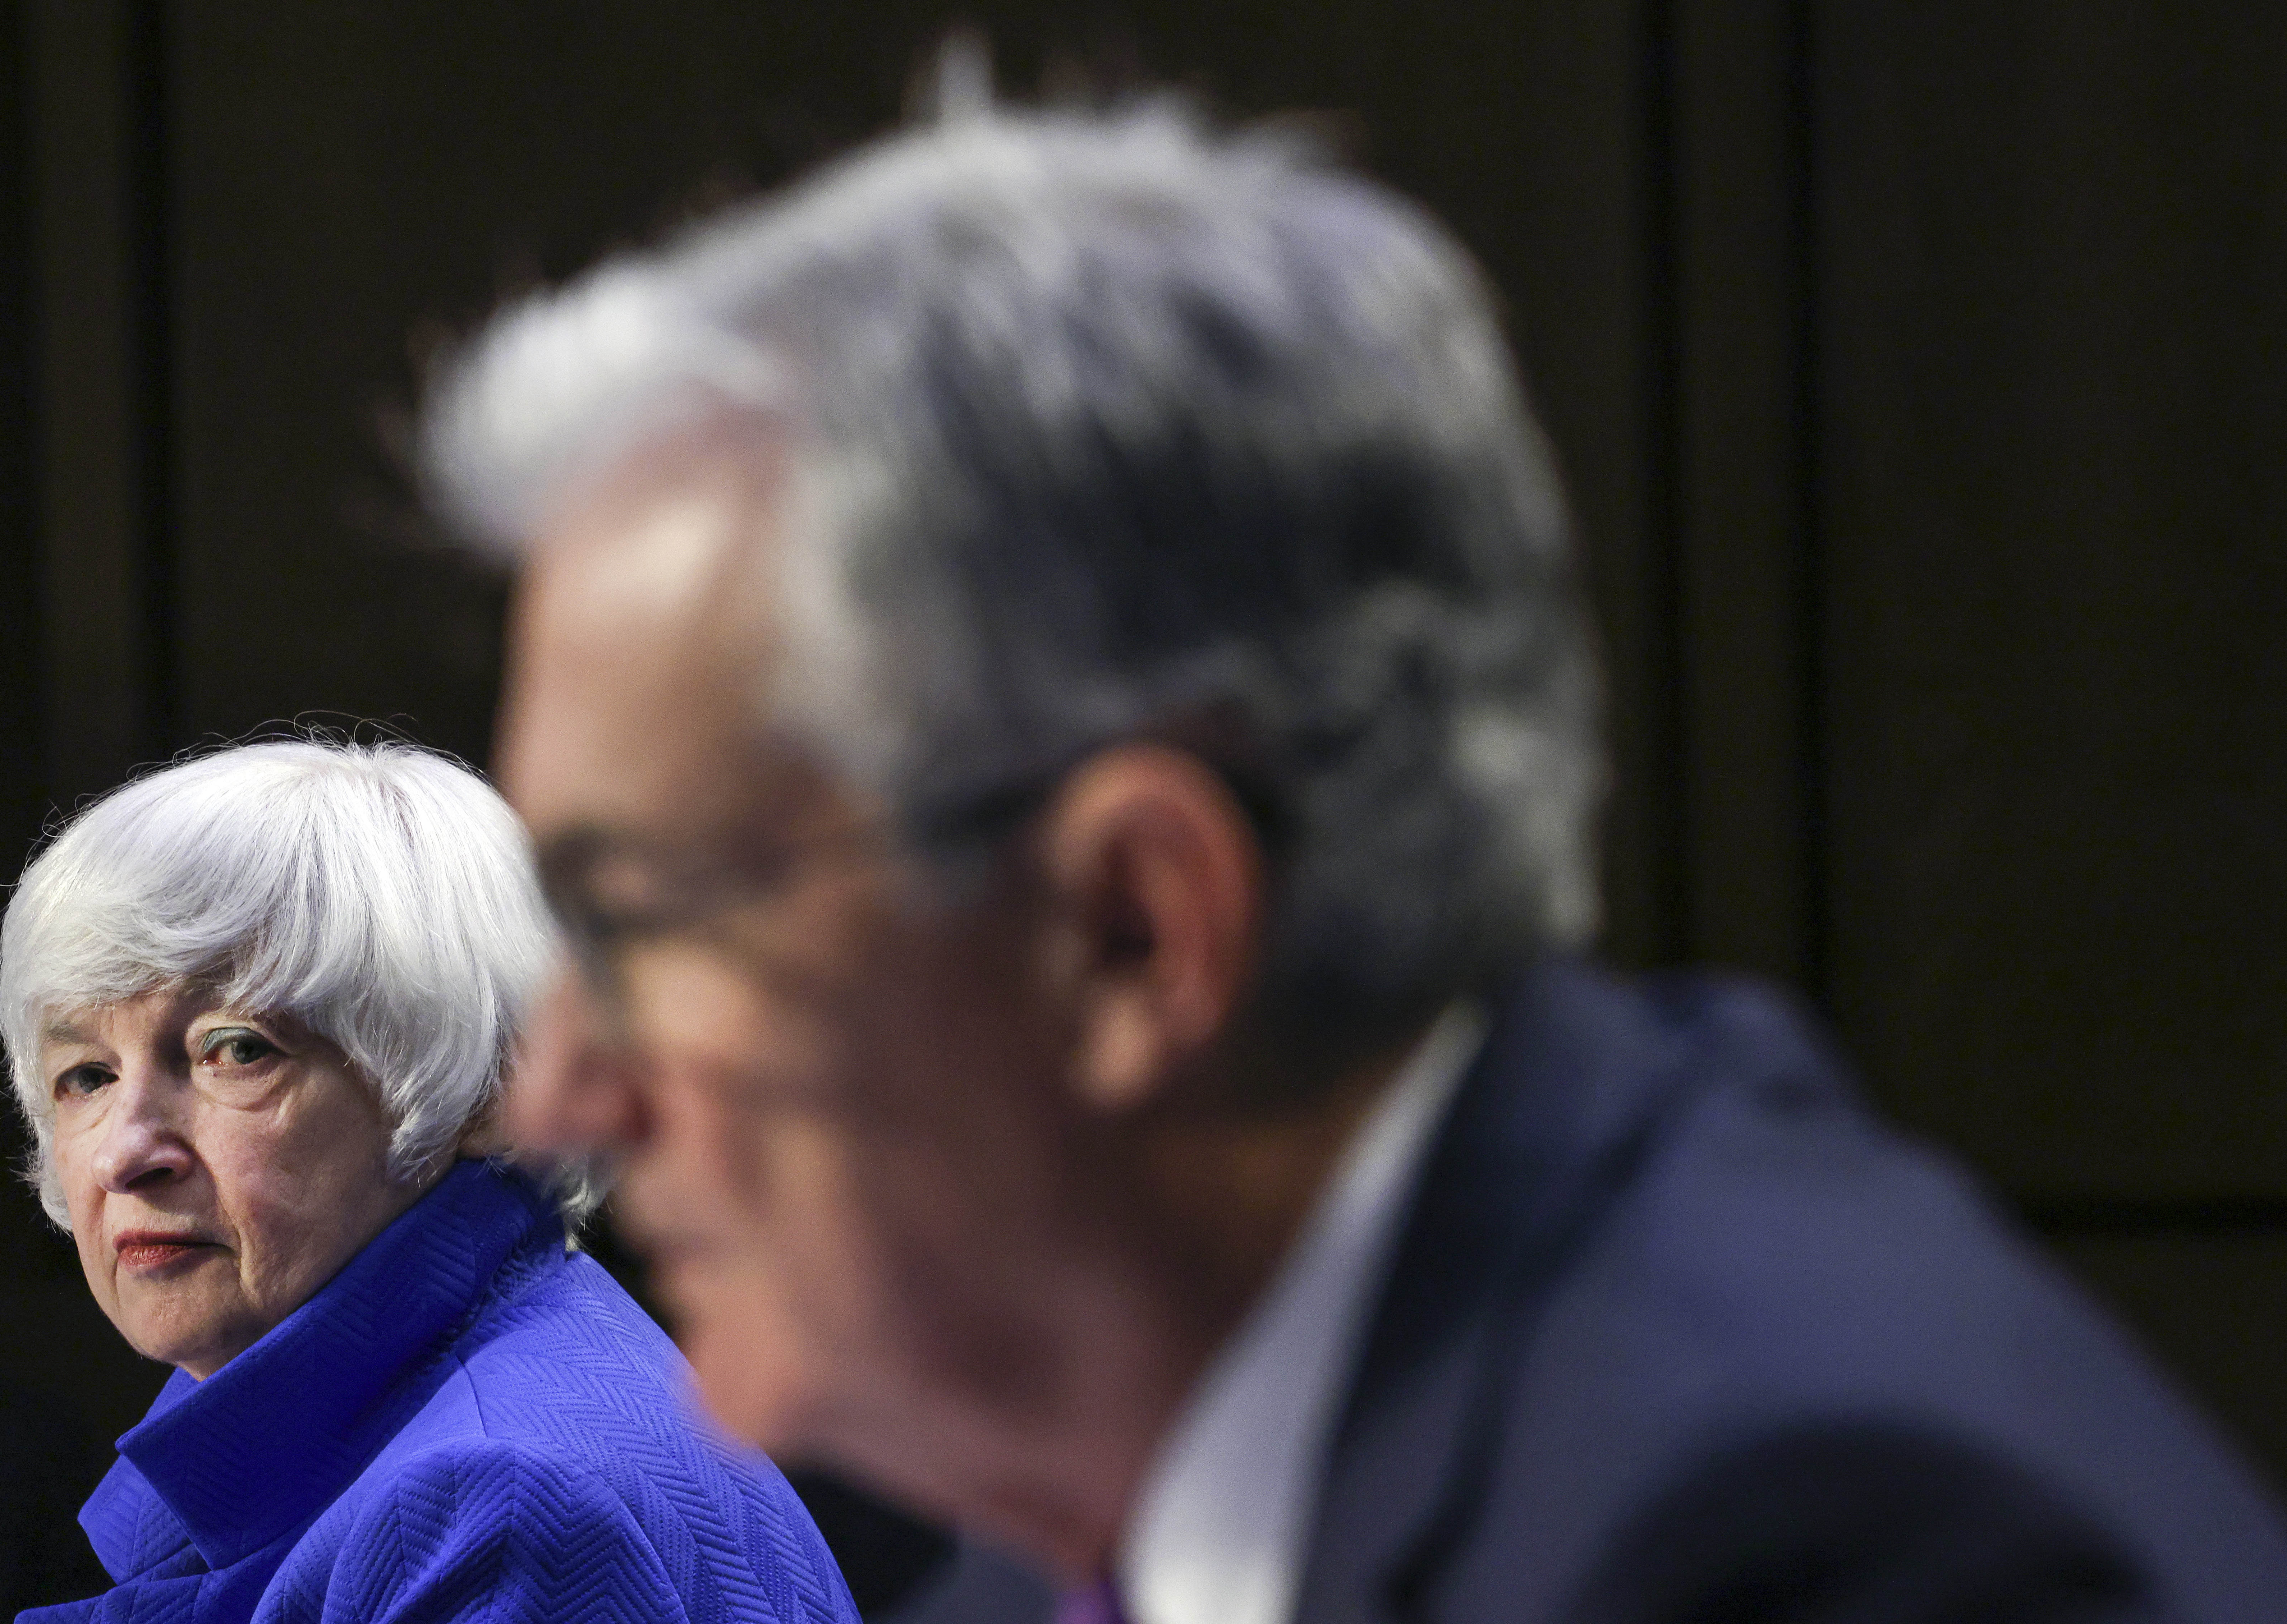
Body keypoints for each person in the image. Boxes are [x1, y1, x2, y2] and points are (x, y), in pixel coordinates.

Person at [420, 88, 2287, 1623]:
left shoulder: (1801, 1545)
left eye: (636, 917)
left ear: (1131, 933)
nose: (561, 1086)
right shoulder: (1092, 1482)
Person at [0, 739, 861, 1624]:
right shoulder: (523, 1367)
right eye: (87, 1076)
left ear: (483, 1092)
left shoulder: (489, 1500)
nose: (124, 1154)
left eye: (237, 1050)